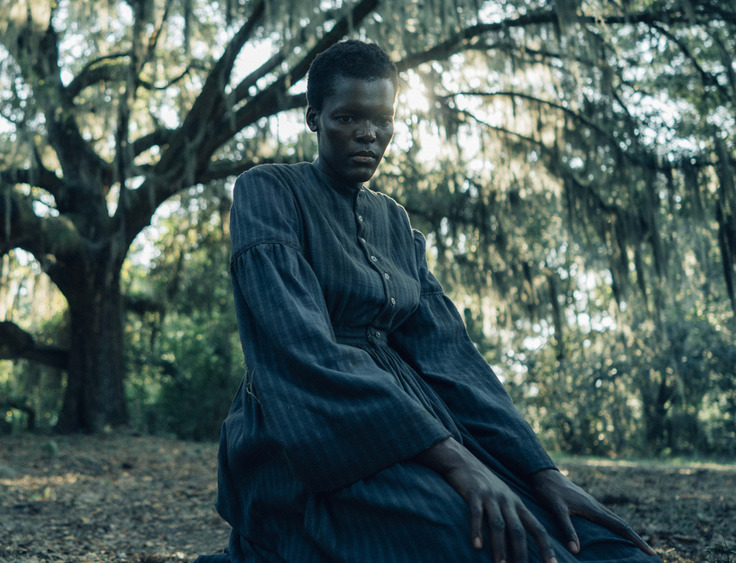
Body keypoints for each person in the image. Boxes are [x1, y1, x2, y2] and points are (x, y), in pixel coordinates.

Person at [196, 40, 661, 563]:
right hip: (309, 429)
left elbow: (452, 359)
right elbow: (299, 349)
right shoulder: (269, 190)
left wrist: (539, 471)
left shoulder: (396, 223)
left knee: (606, 547)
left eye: (383, 120)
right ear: (314, 118)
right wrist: (455, 464)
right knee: (493, 545)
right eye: (347, 117)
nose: (368, 134)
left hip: (425, 424)